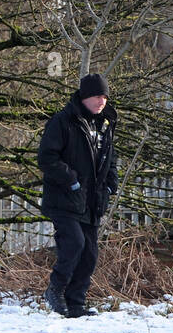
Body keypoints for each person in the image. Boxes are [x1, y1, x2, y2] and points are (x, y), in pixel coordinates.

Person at [38, 73, 118, 318]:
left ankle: (76, 303)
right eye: (96, 96)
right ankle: (55, 290)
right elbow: (47, 158)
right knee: (74, 243)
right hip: (64, 198)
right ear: (84, 97)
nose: (101, 101)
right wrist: (71, 180)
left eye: (104, 96)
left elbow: (110, 160)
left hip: (92, 201)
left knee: (90, 254)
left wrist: (109, 186)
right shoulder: (63, 122)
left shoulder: (104, 125)